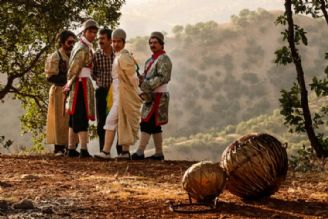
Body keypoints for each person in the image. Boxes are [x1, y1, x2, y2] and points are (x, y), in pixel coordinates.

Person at [94, 28, 142, 159]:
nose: (115, 44)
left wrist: (137, 92)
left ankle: (106, 152)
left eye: (118, 41)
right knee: (121, 121)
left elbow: (133, 77)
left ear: (123, 42)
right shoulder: (118, 56)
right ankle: (124, 152)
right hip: (116, 93)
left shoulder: (124, 56)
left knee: (110, 120)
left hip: (123, 94)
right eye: (114, 41)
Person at [131, 32, 172, 161]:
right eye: (150, 43)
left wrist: (146, 84)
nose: (152, 45)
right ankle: (159, 153)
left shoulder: (164, 59)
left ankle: (140, 152)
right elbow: (148, 76)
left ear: (161, 44)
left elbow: (163, 77)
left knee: (147, 122)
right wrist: (142, 78)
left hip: (159, 96)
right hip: (151, 96)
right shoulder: (151, 60)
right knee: (154, 125)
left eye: (155, 42)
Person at [64, 19, 98, 158]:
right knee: (81, 115)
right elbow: (74, 68)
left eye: (94, 32)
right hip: (80, 84)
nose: (92, 34)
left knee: (74, 116)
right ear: (84, 32)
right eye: (90, 31)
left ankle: (71, 148)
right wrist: (69, 83)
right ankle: (83, 149)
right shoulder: (83, 48)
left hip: (81, 82)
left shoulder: (82, 45)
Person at [45, 30, 77, 156]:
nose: (72, 45)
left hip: (72, 91)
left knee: (71, 118)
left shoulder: (74, 55)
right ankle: (58, 148)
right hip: (59, 91)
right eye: (69, 42)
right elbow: (50, 76)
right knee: (59, 119)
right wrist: (68, 80)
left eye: (73, 42)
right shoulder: (55, 56)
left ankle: (71, 147)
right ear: (62, 42)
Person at [92, 28, 115, 152]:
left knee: (116, 120)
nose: (100, 41)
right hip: (101, 91)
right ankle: (103, 150)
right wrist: (100, 81)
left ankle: (121, 150)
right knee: (101, 122)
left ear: (110, 40)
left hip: (115, 92)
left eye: (103, 38)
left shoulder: (116, 55)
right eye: (99, 38)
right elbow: (93, 73)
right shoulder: (96, 55)